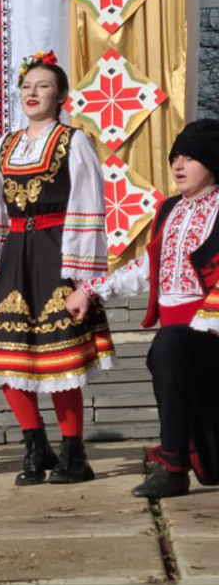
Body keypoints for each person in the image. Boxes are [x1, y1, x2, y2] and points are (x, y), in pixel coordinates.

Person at [0, 50, 113, 486]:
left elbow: (87, 205)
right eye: (26, 86)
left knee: (60, 354)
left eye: (43, 86)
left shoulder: (73, 141)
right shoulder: (7, 145)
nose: (32, 92)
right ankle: (35, 445)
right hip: (15, 255)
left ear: (60, 96)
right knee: (6, 349)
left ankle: (74, 453)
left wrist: (82, 278)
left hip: (56, 253)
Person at [66, 119, 219, 499]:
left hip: (210, 334)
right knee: (168, 351)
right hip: (180, 340)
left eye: (190, 157)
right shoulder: (168, 210)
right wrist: (91, 289)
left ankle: (174, 467)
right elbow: (149, 267)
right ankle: (190, 457)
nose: (178, 165)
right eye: (175, 157)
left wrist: (200, 327)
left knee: (168, 346)